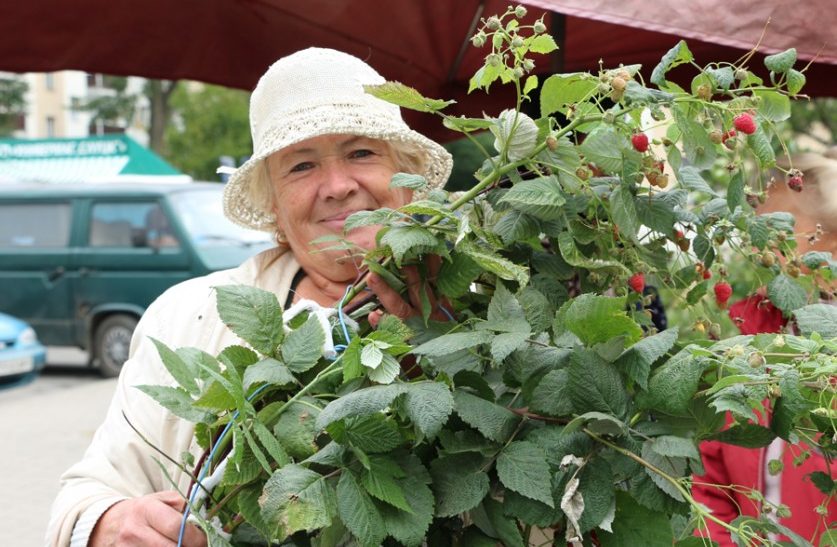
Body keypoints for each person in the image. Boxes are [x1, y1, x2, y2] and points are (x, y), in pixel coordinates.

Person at [46, 47, 453, 547]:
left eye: (361, 153)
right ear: (275, 209)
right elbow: (90, 489)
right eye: (301, 166)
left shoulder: (476, 310)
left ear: (407, 178)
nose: (337, 186)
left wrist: (441, 345)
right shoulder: (188, 316)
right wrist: (109, 522)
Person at [692, 148, 837, 545]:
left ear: (831, 239)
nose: (758, 247)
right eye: (758, 227)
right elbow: (708, 479)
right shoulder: (742, 333)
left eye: (779, 229)